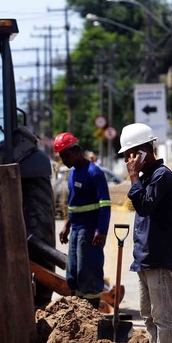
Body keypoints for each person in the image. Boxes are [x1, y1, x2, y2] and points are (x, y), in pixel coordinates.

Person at [119, 123, 172, 343]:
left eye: (131, 155)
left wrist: (133, 178)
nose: (127, 162)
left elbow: (145, 206)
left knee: (163, 314)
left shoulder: (161, 177)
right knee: (148, 314)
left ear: (144, 151)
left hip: (158, 256)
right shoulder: (147, 178)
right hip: (145, 257)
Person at [54, 132, 111, 310]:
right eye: (61, 156)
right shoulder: (73, 174)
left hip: (90, 230)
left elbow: (105, 204)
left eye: (66, 155)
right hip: (77, 229)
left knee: (89, 271)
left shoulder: (94, 173)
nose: (64, 160)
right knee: (74, 272)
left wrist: (101, 230)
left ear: (77, 151)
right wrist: (67, 226)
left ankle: (92, 310)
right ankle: (78, 311)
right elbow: (73, 204)